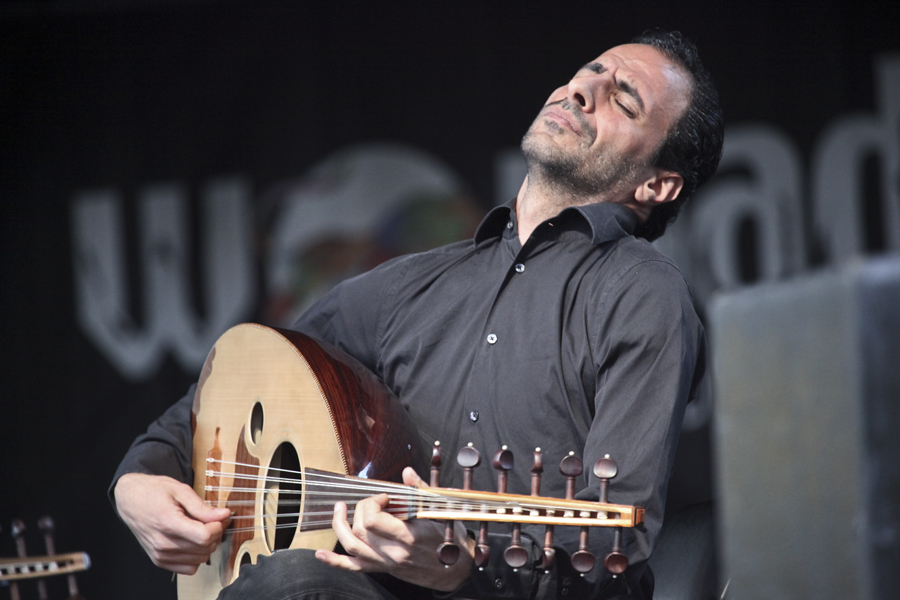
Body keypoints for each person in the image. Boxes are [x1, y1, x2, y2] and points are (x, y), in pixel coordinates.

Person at [111, 29, 724, 600]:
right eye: (588, 72)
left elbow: (617, 539)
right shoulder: (405, 287)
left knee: (295, 579)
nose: (582, 90)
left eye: (623, 100)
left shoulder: (643, 295)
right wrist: (138, 482)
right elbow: (229, 388)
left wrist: (465, 559)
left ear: (658, 186)